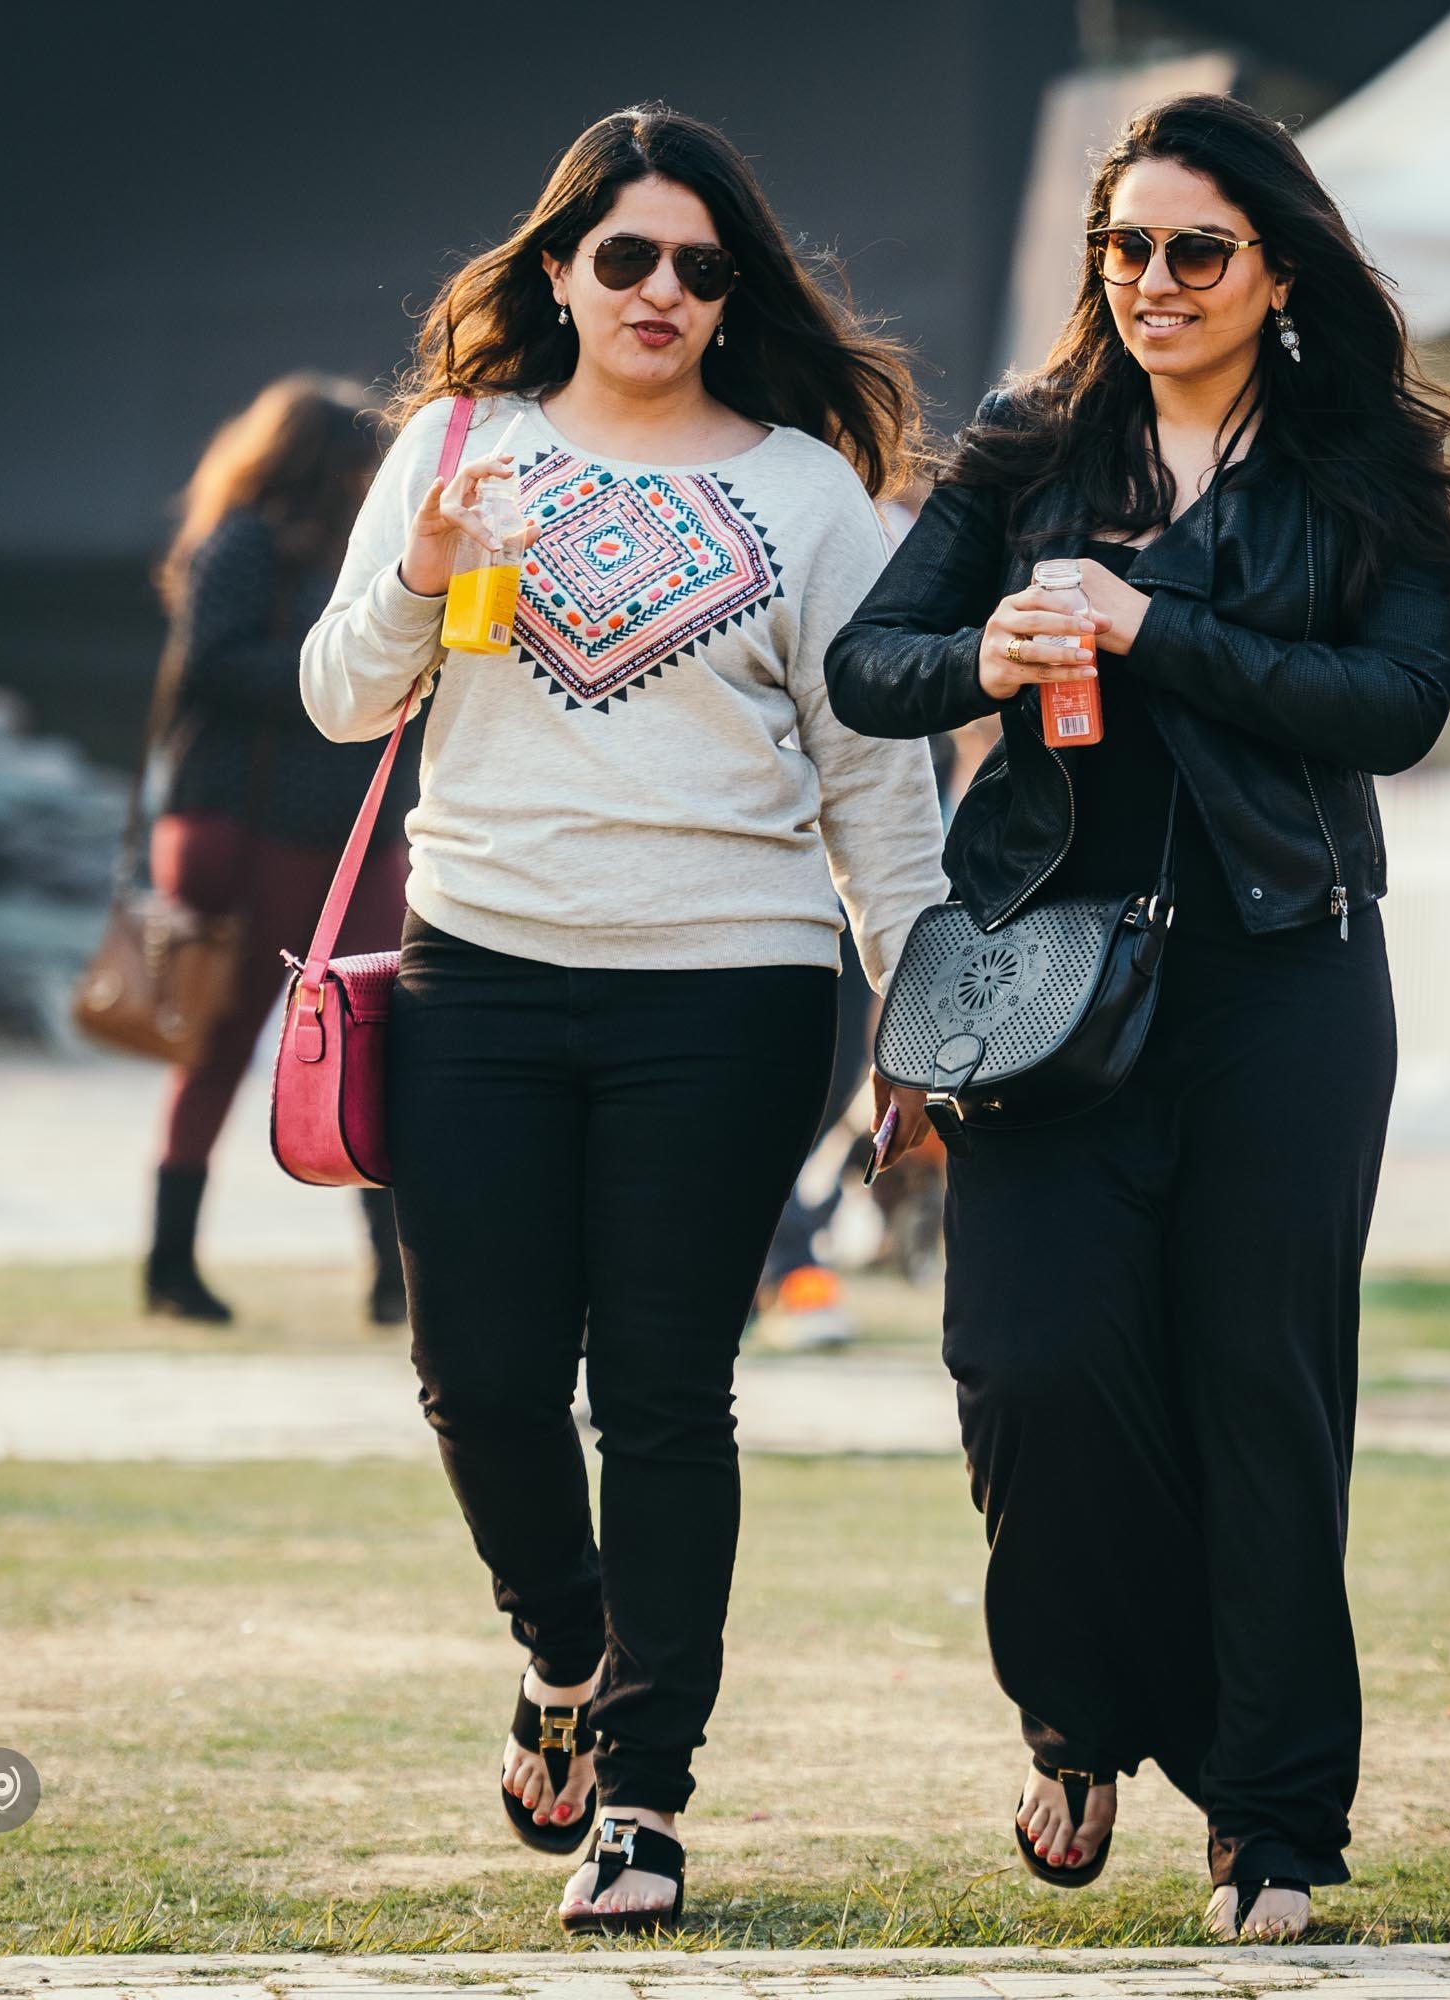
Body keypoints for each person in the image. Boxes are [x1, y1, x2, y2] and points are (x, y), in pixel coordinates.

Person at [827, 92, 1450, 1941]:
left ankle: (1273, 1816)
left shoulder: (1362, 465)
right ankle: (1079, 1708)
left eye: (1196, 249)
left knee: (1262, 1398)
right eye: (1125, 248)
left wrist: (1146, 630)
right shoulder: (1029, 450)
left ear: (1276, 267)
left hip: (1286, 980)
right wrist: (987, 651)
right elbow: (866, 665)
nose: (1154, 281)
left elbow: (1394, 706)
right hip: (1043, 980)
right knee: (1029, 1366)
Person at [299, 105, 946, 1934]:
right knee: (480, 1377)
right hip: (479, 978)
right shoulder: (456, 445)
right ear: (562, 268)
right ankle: (570, 1651)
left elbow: (875, 787)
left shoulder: (808, 490)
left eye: (702, 267)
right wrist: (423, 566)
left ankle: (645, 1800)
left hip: (732, 997)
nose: (663, 292)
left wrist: (926, 1014)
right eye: (628, 257)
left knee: (667, 1395)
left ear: (734, 294)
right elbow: (344, 702)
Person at [144, 375, 420, 1325]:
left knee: (377, 1043)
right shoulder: (245, 542)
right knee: (219, 1043)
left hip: (353, 828)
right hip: (256, 820)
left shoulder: (356, 548)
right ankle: (170, 1262)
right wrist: (334, 675)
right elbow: (210, 669)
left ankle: (392, 1274)